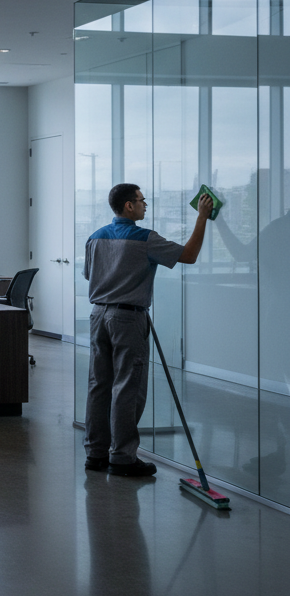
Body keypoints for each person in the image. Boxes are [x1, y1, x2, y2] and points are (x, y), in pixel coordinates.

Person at [83, 183, 212, 476]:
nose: (144, 205)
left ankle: (96, 454)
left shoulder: (95, 238)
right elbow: (189, 255)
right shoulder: (145, 239)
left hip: (98, 315)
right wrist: (202, 217)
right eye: (142, 201)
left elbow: (91, 275)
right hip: (127, 318)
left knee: (99, 386)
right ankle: (123, 457)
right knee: (127, 387)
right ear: (129, 205)